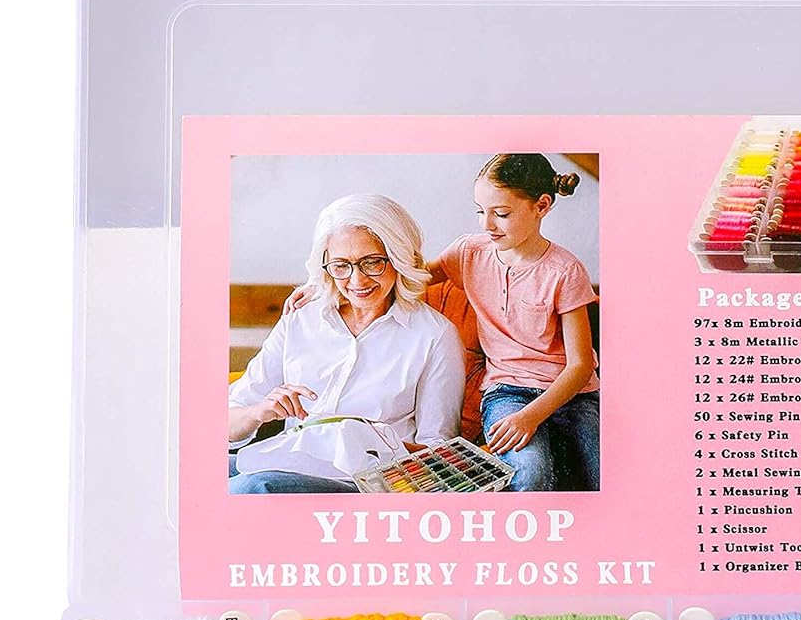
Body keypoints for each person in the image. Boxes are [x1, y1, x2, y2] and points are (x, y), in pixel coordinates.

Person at [229, 195, 464, 493]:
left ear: (399, 257)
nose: (357, 280)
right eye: (341, 265)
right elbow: (227, 423)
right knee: (197, 469)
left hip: (360, 482)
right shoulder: (301, 318)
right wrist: (259, 411)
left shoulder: (434, 335)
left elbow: (439, 452)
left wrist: (373, 443)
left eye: (372, 262)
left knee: (252, 487)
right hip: (285, 459)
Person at [431, 154, 599, 491]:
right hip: (506, 391)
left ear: (541, 206)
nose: (487, 224)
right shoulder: (469, 253)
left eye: (501, 214)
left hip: (574, 395)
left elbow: (580, 365)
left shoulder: (565, 271)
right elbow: (409, 278)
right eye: (480, 211)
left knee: (605, 473)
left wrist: (531, 417)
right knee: (530, 474)